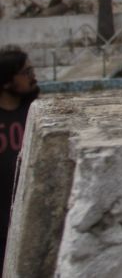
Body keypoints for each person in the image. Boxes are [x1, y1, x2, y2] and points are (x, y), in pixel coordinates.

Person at [0, 46, 38, 269]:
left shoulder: (35, 113)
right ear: (6, 82)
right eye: (25, 72)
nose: (33, 76)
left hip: (27, 219)